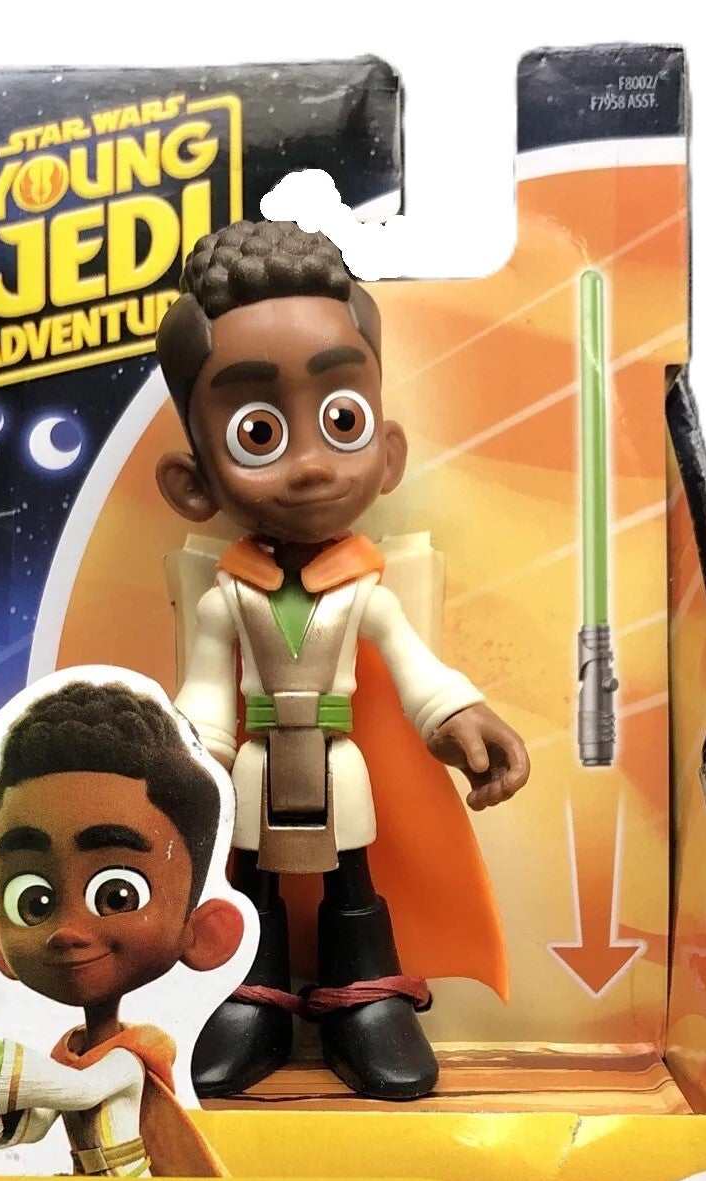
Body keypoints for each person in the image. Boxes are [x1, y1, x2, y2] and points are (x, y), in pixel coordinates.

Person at [156, 221, 530, 1101]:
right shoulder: (225, 601)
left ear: (387, 452)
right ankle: (248, 994)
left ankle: (365, 996)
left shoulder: (366, 594)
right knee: (248, 874)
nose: (311, 466)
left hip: (339, 760)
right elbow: (205, 700)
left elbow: (416, 669)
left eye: (342, 421)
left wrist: (461, 718)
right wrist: (186, 770)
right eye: (257, 432)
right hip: (255, 767)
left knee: (352, 872)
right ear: (194, 483)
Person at [0, 679, 243, 1176]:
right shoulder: (70, 1052)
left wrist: (3, 1064)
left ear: (205, 932)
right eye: (34, 902)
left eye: (116, 896)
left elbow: (78, 1091)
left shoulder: (133, 1055)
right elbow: (37, 1120)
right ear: (0, 939)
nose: (67, 931)